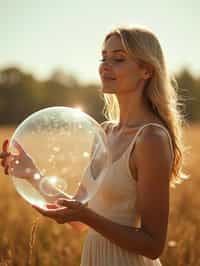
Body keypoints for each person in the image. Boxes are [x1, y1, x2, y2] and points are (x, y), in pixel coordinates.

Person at [0, 25, 188, 265]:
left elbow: (153, 246)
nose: (105, 66)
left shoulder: (151, 138)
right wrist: (32, 174)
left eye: (118, 58)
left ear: (146, 71)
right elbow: (79, 220)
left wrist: (88, 217)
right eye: (104, 57)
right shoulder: (105, 132)